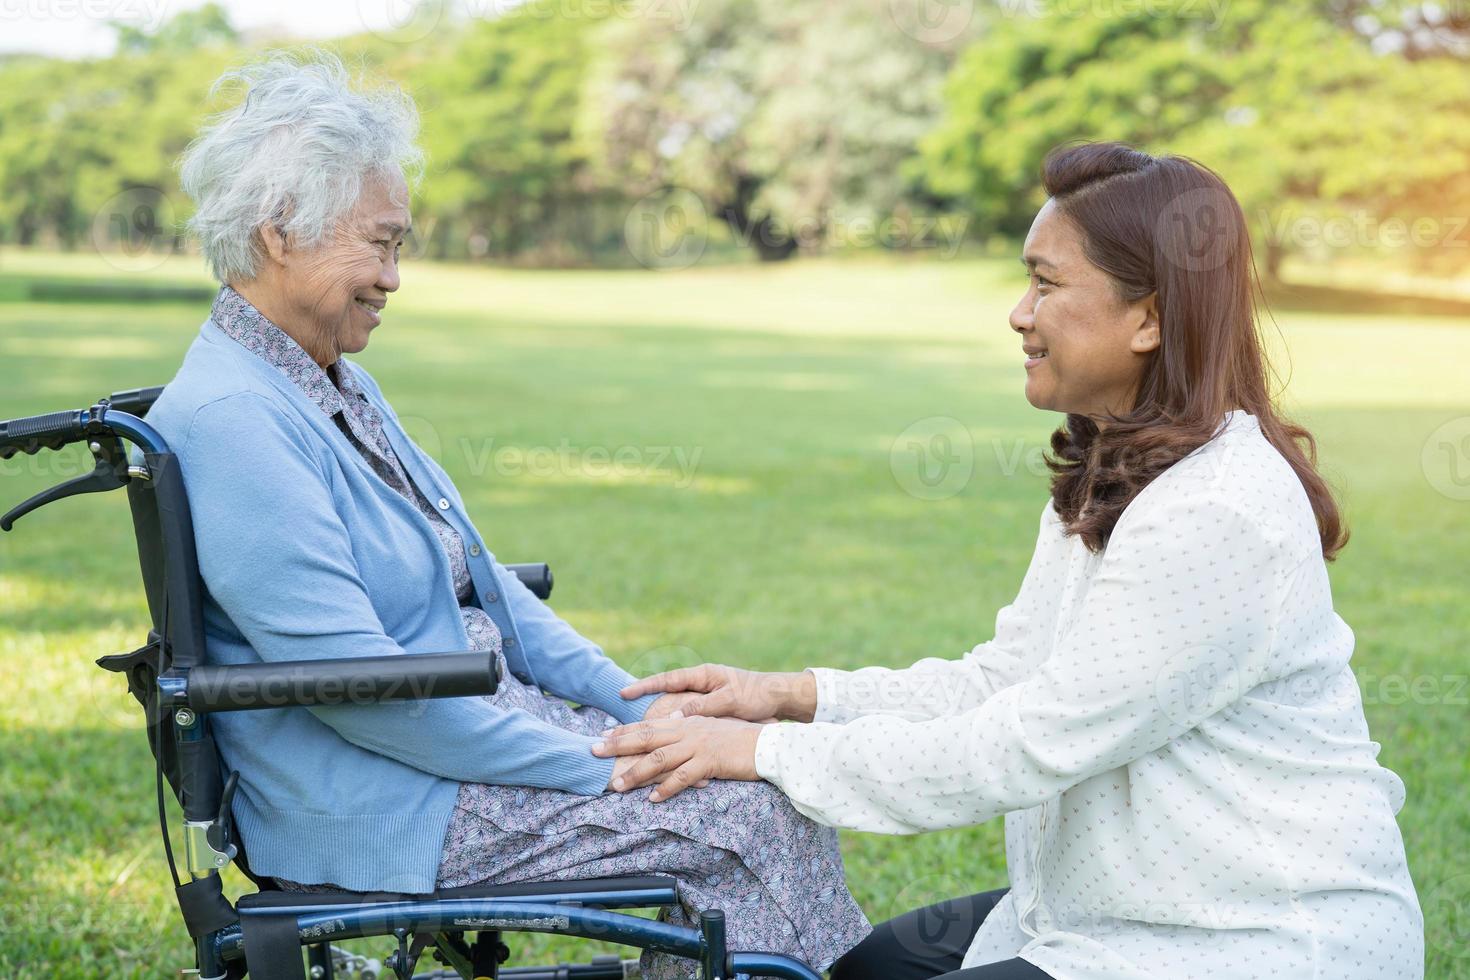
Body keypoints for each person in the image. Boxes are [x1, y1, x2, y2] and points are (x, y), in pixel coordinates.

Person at [596, 142, 1425, 980]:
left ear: (1150, 318)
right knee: (866, 971)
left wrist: (763, 751)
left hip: (1250, 940)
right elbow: (1004, 680)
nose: (1018, 313)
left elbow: (1023, 745)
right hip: (1105, 912)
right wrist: (795, 697)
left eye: (1047, 284)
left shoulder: (1216, 511)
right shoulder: (1120, 469)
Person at [144, 51, 869, 979]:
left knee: (759, 775)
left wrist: (640, 706)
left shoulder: (333, 381)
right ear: (280, 232)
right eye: (380, 243)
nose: (394, 278)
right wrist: (606, 765)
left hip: (459, 745)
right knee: (742, 816)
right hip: (384, 798)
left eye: (398, 247)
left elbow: (483, 586)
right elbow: (364, 692)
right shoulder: (234, 420)